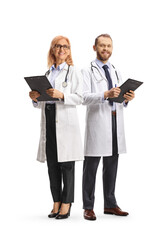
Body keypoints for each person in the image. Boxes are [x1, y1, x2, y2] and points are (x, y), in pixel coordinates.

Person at [29, 35, 83, 220]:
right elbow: (42, 102)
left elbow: (81, 97)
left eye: (65, 46)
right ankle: (56, 202)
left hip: (66, 124)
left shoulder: (74, 72)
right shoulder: (46, 74)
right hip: (49, 120)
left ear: (69, 50)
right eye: (58, 46)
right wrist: (35, 98)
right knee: (52, 165)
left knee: (66, 166)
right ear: (52, 49)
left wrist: (62, 95)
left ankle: (66, 204)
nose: (62, 49)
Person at [82, 33, 135, 220]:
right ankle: (88, 206)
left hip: (114, 120)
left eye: (109, 46)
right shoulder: (87, 71)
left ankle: (110, 204)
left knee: (112, 165)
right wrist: (105, 94)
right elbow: (83, 97)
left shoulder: (115, 70)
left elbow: (118, 97)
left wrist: (126, 99)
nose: (106, 49)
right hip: (97, 123)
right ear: (94, 47)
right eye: (102, 46)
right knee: (91, 167)